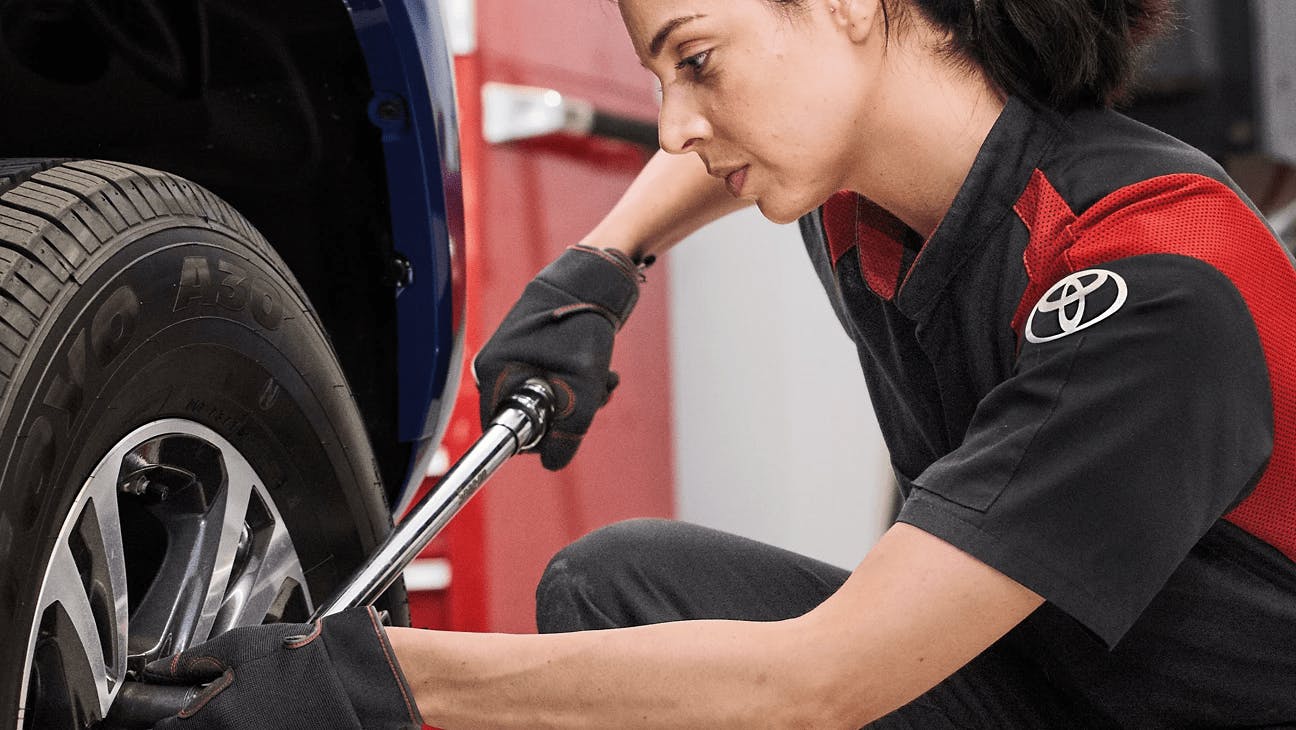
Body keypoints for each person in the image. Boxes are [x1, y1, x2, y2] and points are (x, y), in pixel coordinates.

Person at [145, 0, 1296, 727]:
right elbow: (713, 148)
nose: (677, 125)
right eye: (659, 79)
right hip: (1040, 678)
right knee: (615, 585)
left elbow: (824, 683)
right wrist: (604, 261)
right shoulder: (858, 179)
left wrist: (377, 679)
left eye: (695, 61)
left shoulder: (1150, 282)